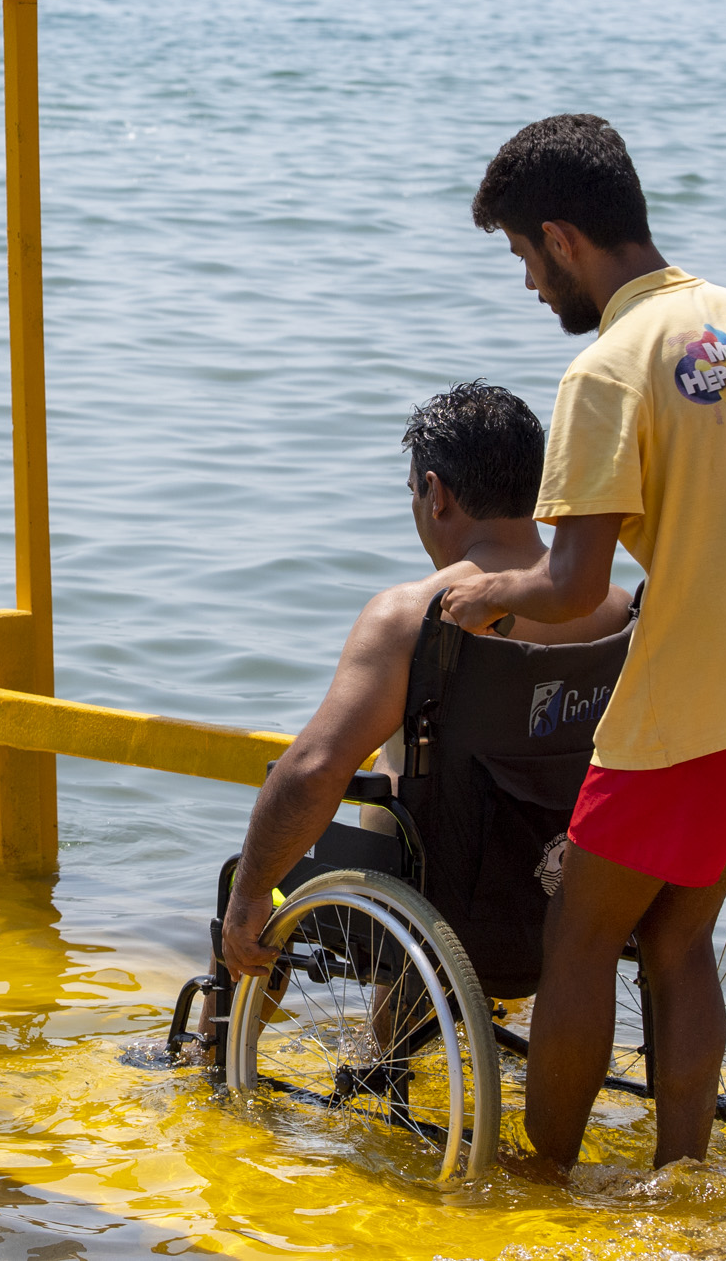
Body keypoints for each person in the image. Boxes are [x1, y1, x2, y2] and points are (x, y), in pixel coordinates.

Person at [431, 113, 726, 1172]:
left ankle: (545, 1172)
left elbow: (569, 583)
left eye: (521, 260)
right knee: (675, 935)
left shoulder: (606, 369)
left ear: (559, 238)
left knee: (581, 935)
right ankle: (679, 1172)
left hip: (693, 706)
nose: (530, 288)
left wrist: (486, 594)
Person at [213, 381, 634, 1042]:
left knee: (257, 874)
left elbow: (317, 766)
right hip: (567, 890)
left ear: (435, 492)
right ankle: (396, 1037)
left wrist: (246, 900)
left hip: (443, 898)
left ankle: (216, 1050)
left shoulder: (412, 615)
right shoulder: (610, 607)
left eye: (413, 492)